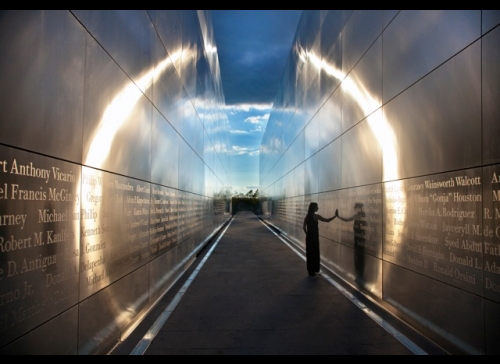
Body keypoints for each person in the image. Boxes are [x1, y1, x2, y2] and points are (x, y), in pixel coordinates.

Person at [303, 202, 337, 277]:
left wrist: (308, 234)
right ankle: (314, 270)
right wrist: (335, 216)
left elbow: (304, 227)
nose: (318, 208)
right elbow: (327, 220)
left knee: (309, 254)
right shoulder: (316, 216)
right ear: (314, 208)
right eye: (317, 207)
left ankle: (310, 270)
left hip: (309, 238)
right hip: (314, 238)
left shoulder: (307, 216)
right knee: (315, 253)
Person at [336, 203, 367, 283]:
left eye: (356, 208)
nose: (355, 209)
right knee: (358, 256)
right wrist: (338, 216)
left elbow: (365, 227)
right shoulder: (357, 216)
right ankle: (358, 273)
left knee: (360, 256)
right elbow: (347, 220)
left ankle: (360, 273)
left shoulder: (363, 216)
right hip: (357, 239)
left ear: (360, 208)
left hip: (360, 239)